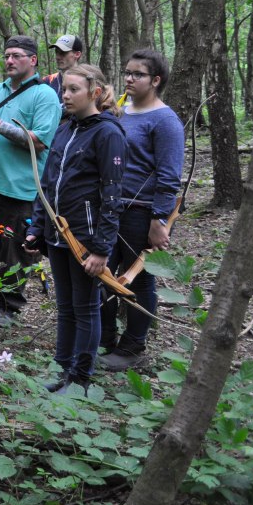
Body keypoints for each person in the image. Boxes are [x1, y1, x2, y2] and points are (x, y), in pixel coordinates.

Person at [25, 64, 127, 394]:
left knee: (86, 308)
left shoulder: (108, 133)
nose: (65, 96)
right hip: (57, 235)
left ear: (94, 93)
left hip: (84, 238)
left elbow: (112, 196)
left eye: (73, 90)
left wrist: (101, 248)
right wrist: (38, 228)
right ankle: (61, 369)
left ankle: (80, 379)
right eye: (64, 89)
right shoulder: (66, 127)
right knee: (65, 307)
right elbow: (48, 183)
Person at [0, 35, 62, 327]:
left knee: (14, 247)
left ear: (33, 60)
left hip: (22, 189)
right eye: (6, 55)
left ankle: (8, 307)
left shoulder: (45, 96)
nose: (9, 61)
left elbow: (41, 141)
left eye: (16, 55)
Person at [99, 49, 184, 371]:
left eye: (138, 74)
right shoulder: (121, 109)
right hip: (112, 207)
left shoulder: (165, 121)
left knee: (138, 280)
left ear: (156, 80)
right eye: (127, 72)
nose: (129, 78)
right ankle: (104, 338)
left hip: (143, 211)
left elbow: (169, 174)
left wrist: (159, 220)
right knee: (103, 272)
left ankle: (133, 347)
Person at [44, 34, 84, 107]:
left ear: (77, 54)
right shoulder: (47, 81)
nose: (58, 57)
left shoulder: (87, 81)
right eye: (57, 52)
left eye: (63, 53)